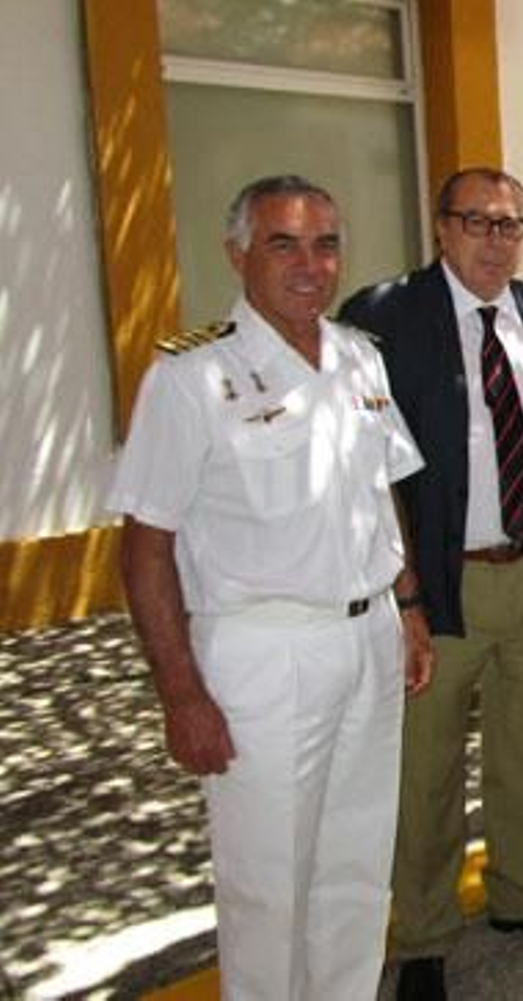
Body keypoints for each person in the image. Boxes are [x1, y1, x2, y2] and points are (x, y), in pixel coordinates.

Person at [109, 175, 432, 999]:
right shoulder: (191, 379)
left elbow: (381, 489)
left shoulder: (359, 355)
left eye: (326, 243)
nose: (310, 263)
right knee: (267, 883)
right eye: (283, 242)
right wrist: (180, 691)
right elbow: (146, 545)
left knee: (355, 868)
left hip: (367, 640)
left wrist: (409, 604)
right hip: (262, 650)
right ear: (238, 252)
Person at [338, 167, 523, 1000]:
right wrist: (404, 594)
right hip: (438, 583)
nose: (496, 239)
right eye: (478, 222)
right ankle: (423, 936)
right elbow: (364, 467)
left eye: (511, 223)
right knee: (428, 768)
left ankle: (521, 896)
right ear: (440, 226)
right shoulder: (381, 318)